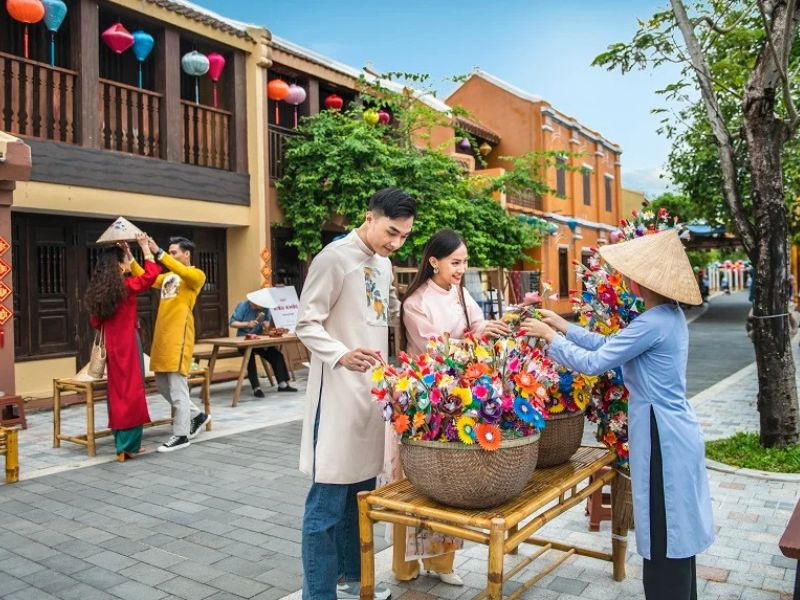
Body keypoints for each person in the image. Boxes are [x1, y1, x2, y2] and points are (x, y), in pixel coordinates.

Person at [521, 229, 714, 600]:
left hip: (663, 435)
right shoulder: (664, 317)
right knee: (674, 531)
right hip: (671, 429)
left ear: (643, 281)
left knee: (664, 529)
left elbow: (595, 363)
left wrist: (549, 337)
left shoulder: (653, 322)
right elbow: (610, 346)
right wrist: (563, 327)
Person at [297, 188, 416, 600]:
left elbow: (384, 319)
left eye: (404, 236)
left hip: (372, 396)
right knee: (327, 501)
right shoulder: (334, 258)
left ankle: (351, 579)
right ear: (370, 217)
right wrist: (342, 354)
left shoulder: (382, 264)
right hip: (336, 397)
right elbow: (306, 322)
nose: (396, 242)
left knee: (359, 496)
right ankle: (318, 594)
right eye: (391, 232)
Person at [381, 229, 509, 586]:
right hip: (425, 400)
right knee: (414, 485)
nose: (461, 268)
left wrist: (489, 327)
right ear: (434, 261)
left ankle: (442, 563)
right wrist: (474, 338)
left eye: (464, 261)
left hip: (458, 397)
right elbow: (435, 350)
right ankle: (404, 566)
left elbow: (476, 322)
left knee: (447, 483)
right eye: (456, 262)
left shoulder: (460, 291)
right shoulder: (415, 303)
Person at [85, 233, 161, 462]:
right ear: (119, 265)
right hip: (128, 342)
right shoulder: (126, 288)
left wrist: (128, 253)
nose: (129, 263)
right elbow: (151, 275)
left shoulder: (101, 293)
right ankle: (129, 446)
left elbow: (96, 322)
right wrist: (145, 249)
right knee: (132, 391)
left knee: (116, 391)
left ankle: (121, 444)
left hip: (112, 345)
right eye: (126, 260)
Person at [132, 236, 210, 453]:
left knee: (177, 387)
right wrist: (131, 255)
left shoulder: (195, 275)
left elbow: (181, 270)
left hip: (180, 336)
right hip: (162, 336)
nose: (171, 255)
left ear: (186, 254)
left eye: (174, 252)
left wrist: (158, 252)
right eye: (170, 252)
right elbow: (146, 277)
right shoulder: (168, 278)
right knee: (163, 385)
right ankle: (197, 415)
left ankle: (182, 434)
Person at [229, 296, 298, 396]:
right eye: (257, 305)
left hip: (259, 340)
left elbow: (267, 323)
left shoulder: (265, 308)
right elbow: (232, 323)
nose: (260, 308)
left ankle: (283, 384)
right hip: (243, 339)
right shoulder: (243, 306)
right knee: (250, 357)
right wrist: (247, 324)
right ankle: (256, 388)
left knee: (276, 355)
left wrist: (266, 325)